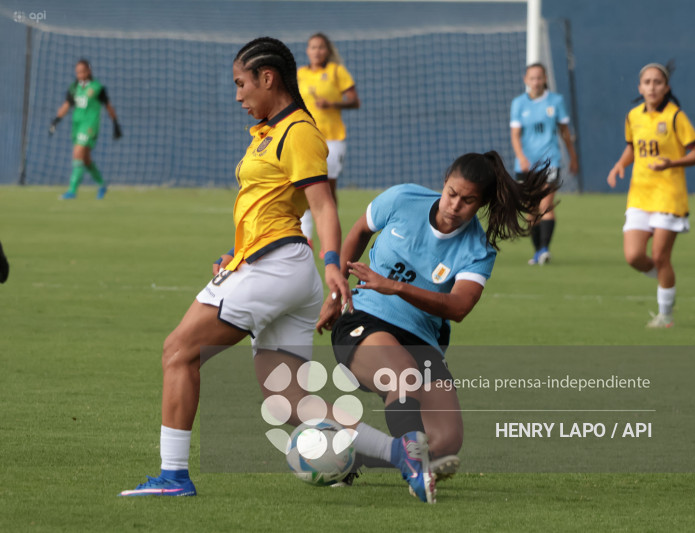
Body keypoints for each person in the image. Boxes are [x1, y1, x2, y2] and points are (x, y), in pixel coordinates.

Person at [119, 37, 433, 503]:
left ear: (268, 78)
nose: (239, 95)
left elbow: (323, 206)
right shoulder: (272, 131)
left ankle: (174, 475)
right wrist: (238, 251)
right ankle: (401, 453)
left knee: (179, 351)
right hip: (273, 265)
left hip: (279, 268)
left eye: (242, 83)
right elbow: (266, 207)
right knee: (286, 401)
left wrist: (333, 264)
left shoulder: (299, 132)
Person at [317, 151, 556, 483]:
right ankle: (414, 472)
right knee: (403, 376)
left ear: (482, 204)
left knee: (444, 445)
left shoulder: (478, 250)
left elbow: (458, 307)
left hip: (421, 339)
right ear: (444, 183)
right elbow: (359, 232)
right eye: (452, 194)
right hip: (365, 319)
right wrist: (336, 292)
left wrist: (395, 286)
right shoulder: (402, 199)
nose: (454, 206)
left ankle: (353, 453)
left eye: (468, 201)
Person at [606, 62, 695, 328]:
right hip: (640, 195)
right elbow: (632, 147)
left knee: (661, 256)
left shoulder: (675, 117)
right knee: (634, 257)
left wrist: (671, 163)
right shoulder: (633, 116)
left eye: (657, 82)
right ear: (640, 87)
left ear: (666, 87)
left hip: (669, 196)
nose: (652, 87)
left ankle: (665, 316)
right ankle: (664, 277)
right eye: (647, 82)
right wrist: (620, 164)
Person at [510, 63, 578, 265]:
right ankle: (538, 251)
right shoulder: (519, 104)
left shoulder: (556, 101)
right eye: (532, 78)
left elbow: (565, 132)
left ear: (545, 79)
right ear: (526, 80)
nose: (536, 82)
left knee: (545, 204)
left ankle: (545, 249)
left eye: (539, 77)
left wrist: (572, 156)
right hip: (526, 165)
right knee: (531, 210)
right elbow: (515, 135)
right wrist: (521, 157)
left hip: (550, 160)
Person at [297, 33, 360, 247]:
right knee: (304, 184)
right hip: (307, 137)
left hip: (332, 138)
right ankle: (306, 236)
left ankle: (328, 241)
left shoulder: (336, 71)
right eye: (313, 47)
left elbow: (354, 101)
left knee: (328, 190)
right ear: (307, 50)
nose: (317, 51)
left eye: (321, 47)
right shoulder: (300, 74)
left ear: (327, 51)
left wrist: (332, 104)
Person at [49, 59, 122, 200]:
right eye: (77, 72)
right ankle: (102, 185)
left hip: (90, 126)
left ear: (88, 71)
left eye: (82, 71)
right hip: (77, 124)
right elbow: (66, 105)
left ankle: (72, 190)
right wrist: (56, 120)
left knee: (77, 153)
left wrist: (115, 123)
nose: (80, 74)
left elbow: (108, 106)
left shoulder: (97, 88)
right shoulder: (74, 87)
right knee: (86, 159)